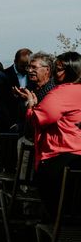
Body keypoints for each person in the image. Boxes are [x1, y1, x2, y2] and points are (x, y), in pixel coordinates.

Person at [25, 51, 81, 218]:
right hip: (78, 154)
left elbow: (38, 119)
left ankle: (56, 237)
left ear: (70, 71)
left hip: (60, 154)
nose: (55, 74)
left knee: (58, 205)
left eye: (58, 69)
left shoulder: (61, 92)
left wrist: (30, 107)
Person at [0, 48, 32, 133]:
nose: (26, 69)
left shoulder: (31, 75)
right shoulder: (3, 76)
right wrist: (12, 124)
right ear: (15, 61)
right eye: (23, 65)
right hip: (7, 126)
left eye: (28, 66)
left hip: (27, 125)